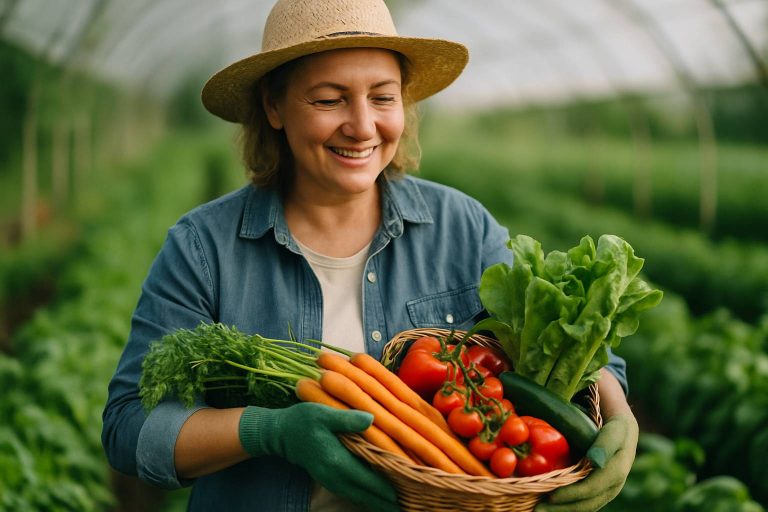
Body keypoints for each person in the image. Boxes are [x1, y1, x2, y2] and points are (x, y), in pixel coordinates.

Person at [101, 0, 638, 511]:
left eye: (382, 98)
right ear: (273, 107)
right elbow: (131, 428)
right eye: (329, 99)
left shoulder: (462, 228)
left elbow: (571, 354)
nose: (362, 126)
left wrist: (618, 417)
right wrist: (268, 431)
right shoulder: (204, 248)